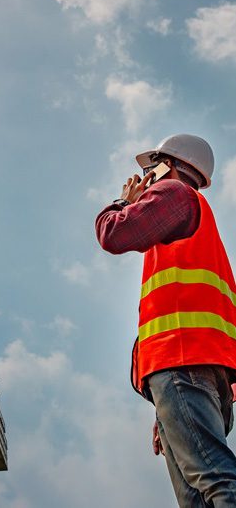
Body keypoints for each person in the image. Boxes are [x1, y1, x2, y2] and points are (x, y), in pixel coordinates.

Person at [95, 134, 236, 507]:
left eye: (149, 169)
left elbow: (114, 233)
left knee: (216, 479)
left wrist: (124, 202)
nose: (146, 178)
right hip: (196, 371)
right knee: (196, 498)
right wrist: (165, 411)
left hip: (180, 363)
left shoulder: (175, 194)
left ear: (168, 165)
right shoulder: (200, 230)